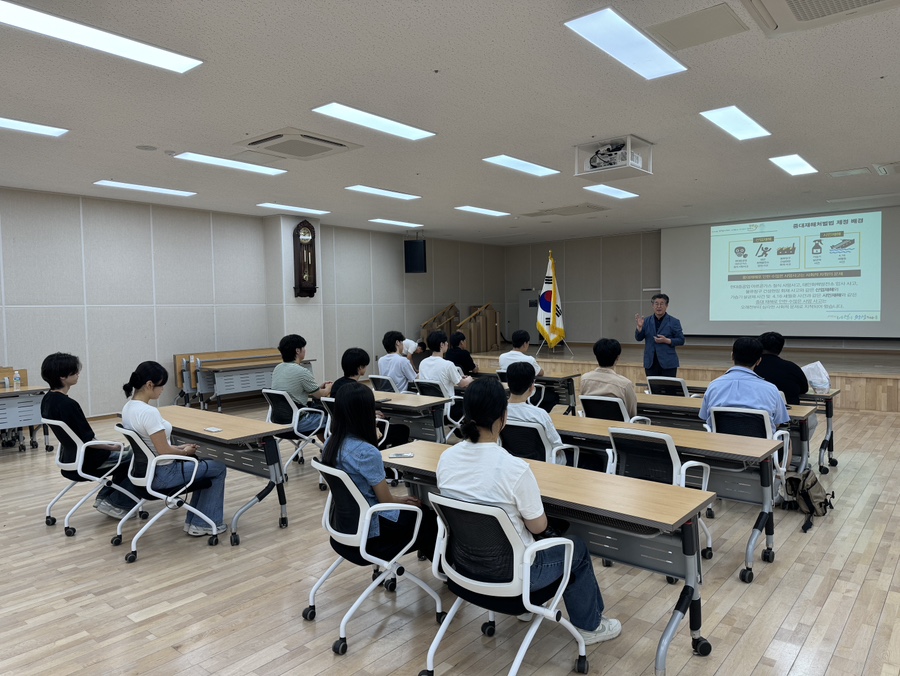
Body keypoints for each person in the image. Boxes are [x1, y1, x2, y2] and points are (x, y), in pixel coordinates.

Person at [436, 378, 621, 644]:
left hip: (464, 568)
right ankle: (589, 627)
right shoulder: (514, 468)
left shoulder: (447, 458)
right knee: (575, 548)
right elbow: (538, 527)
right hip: (516, 575)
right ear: (502, 418)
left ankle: (528, 609)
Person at [321, 382, 436, 557]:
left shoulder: (330, 443)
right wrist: (401, 500)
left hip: (342, 525)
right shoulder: (366, 452)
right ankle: (444, 572)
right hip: (372, 530)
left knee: (417, 511)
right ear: (366, 413)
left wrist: (399, 499)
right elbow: (384, 500)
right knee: (428, 516)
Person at [121, 361, 228, 536]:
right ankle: (203, 524)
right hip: (164, 475)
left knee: (204, 467)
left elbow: (154, 446)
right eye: (161, 385)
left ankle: (198, 522)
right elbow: (163, 452)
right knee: (218, 467)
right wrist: (185, 452)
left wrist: (178, 447)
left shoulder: (128, 408)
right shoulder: (149, 412)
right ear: (149, 385)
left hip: (145, 472)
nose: (162, 389)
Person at [40, 352, 137, 518]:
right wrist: (112, 446)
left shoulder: (47, 400)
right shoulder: (69, 405)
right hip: (89, 459)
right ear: (63, 376)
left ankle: (106, 498)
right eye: (75, 372)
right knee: (137, 457)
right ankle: (117, 503)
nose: (78, 374)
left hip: (69, 458)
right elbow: (88, 440)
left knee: (126, 455)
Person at [699, 337, 790, 431]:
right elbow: (778, 422)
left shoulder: (714, 385)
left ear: (732, 356)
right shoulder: (771, 389)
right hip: (761, 445)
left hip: (721, 443)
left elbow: (705, 417)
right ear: (759, 361)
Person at [505, 362, 568, 465]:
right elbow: (557, 447)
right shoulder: (539, 414)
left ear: (508, 384)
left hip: (512, 463)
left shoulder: (498, 411)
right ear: (532, 388)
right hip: (542, 464)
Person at [271, 334, 332, 433]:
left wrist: (317, 388)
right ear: (298, 350)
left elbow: (294, 391)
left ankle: (326, 447)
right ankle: (331, 448)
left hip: (278, 421)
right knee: (332, 418)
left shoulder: (278, 368)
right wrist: (329, 387)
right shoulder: (301, 371)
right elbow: (320, 395)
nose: (305, 350)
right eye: (304, 347)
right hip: (299, 422)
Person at [498, 330, 559, 413]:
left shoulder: (502, 357)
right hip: (528, 394)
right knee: (553, 396)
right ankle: (537, 412)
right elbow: (540, 373)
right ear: (525, 344)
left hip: (510, 392)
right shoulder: (529, 360)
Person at [418, 330, 473, 419]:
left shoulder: (423, 363)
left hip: (428, 406)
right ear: (441, 345)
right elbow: (462, 384)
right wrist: (469, 379)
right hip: (446, 409)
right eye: (446, 342)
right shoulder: (448, 364)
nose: (447, 344)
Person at [580, 338, 637, 419]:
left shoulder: (584, 379)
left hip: (593, 427)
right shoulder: (625, 384)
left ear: (596, 356)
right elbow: (632, 414)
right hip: (618, 429)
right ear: (617, 358)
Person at [634, 293, 684, 377]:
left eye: (662, 304)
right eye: (656, 304)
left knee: (668, 389)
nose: (659, 306)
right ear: (652, 305)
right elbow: (638, 338)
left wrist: (667, 340)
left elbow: (681, 340)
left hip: (668, 363)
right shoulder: (645, 321)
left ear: (666, 306)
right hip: (651, 362)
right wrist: (639, 328)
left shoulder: (674, 321)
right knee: (653, 389)